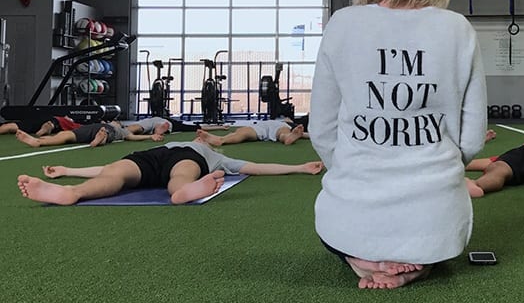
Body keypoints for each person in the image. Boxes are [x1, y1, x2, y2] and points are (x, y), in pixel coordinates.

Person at [310, 0, 487, 290]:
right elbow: (472, 138)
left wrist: (356, 169)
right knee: (435, 226)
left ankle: (365, 258)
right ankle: (416, 262)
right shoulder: (458, 30)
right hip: (437, 222)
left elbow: (321, 130)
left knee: (337, 227)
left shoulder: (342, 25)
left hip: (351, 217)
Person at [17, 138, 324, 206]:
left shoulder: (216, 157)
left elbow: (256, 168)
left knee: (181, 174)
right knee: (114, 172)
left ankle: (182, 192)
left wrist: (299, 166)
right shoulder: (177, 140)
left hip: (186, 160)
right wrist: (68, 170)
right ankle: (72, 193)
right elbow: (103, 167)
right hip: (150, 157)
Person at [15, 120, 165, 149]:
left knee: (104, 132)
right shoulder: (103, 123)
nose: (115, 120)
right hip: (87, 131)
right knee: (64, 135)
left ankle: (100, 139)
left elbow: (132, 137)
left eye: (116, 121)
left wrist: (149, 136)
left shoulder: (121, 130)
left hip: (107, 132)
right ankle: (39, 140)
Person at [195, 117, 307, 148]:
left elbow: (305, 134)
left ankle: (222, 139)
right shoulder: (289, 123)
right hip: (276, 127)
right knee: (282, 134)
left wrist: (300, 133)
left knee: (241, 133)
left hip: (269, 126)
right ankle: (221, 139)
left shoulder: (288, 122)